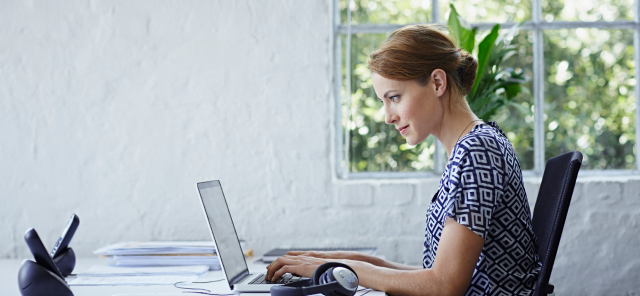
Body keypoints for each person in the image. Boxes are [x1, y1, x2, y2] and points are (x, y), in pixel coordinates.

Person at [266, 24, 541, 296]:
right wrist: (334, 261)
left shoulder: (477, 151)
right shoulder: (475, 145)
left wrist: (342, 265)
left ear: (437, 82)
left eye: (394, 97)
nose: (388, 116)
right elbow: (432, 275)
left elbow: (444, 286)